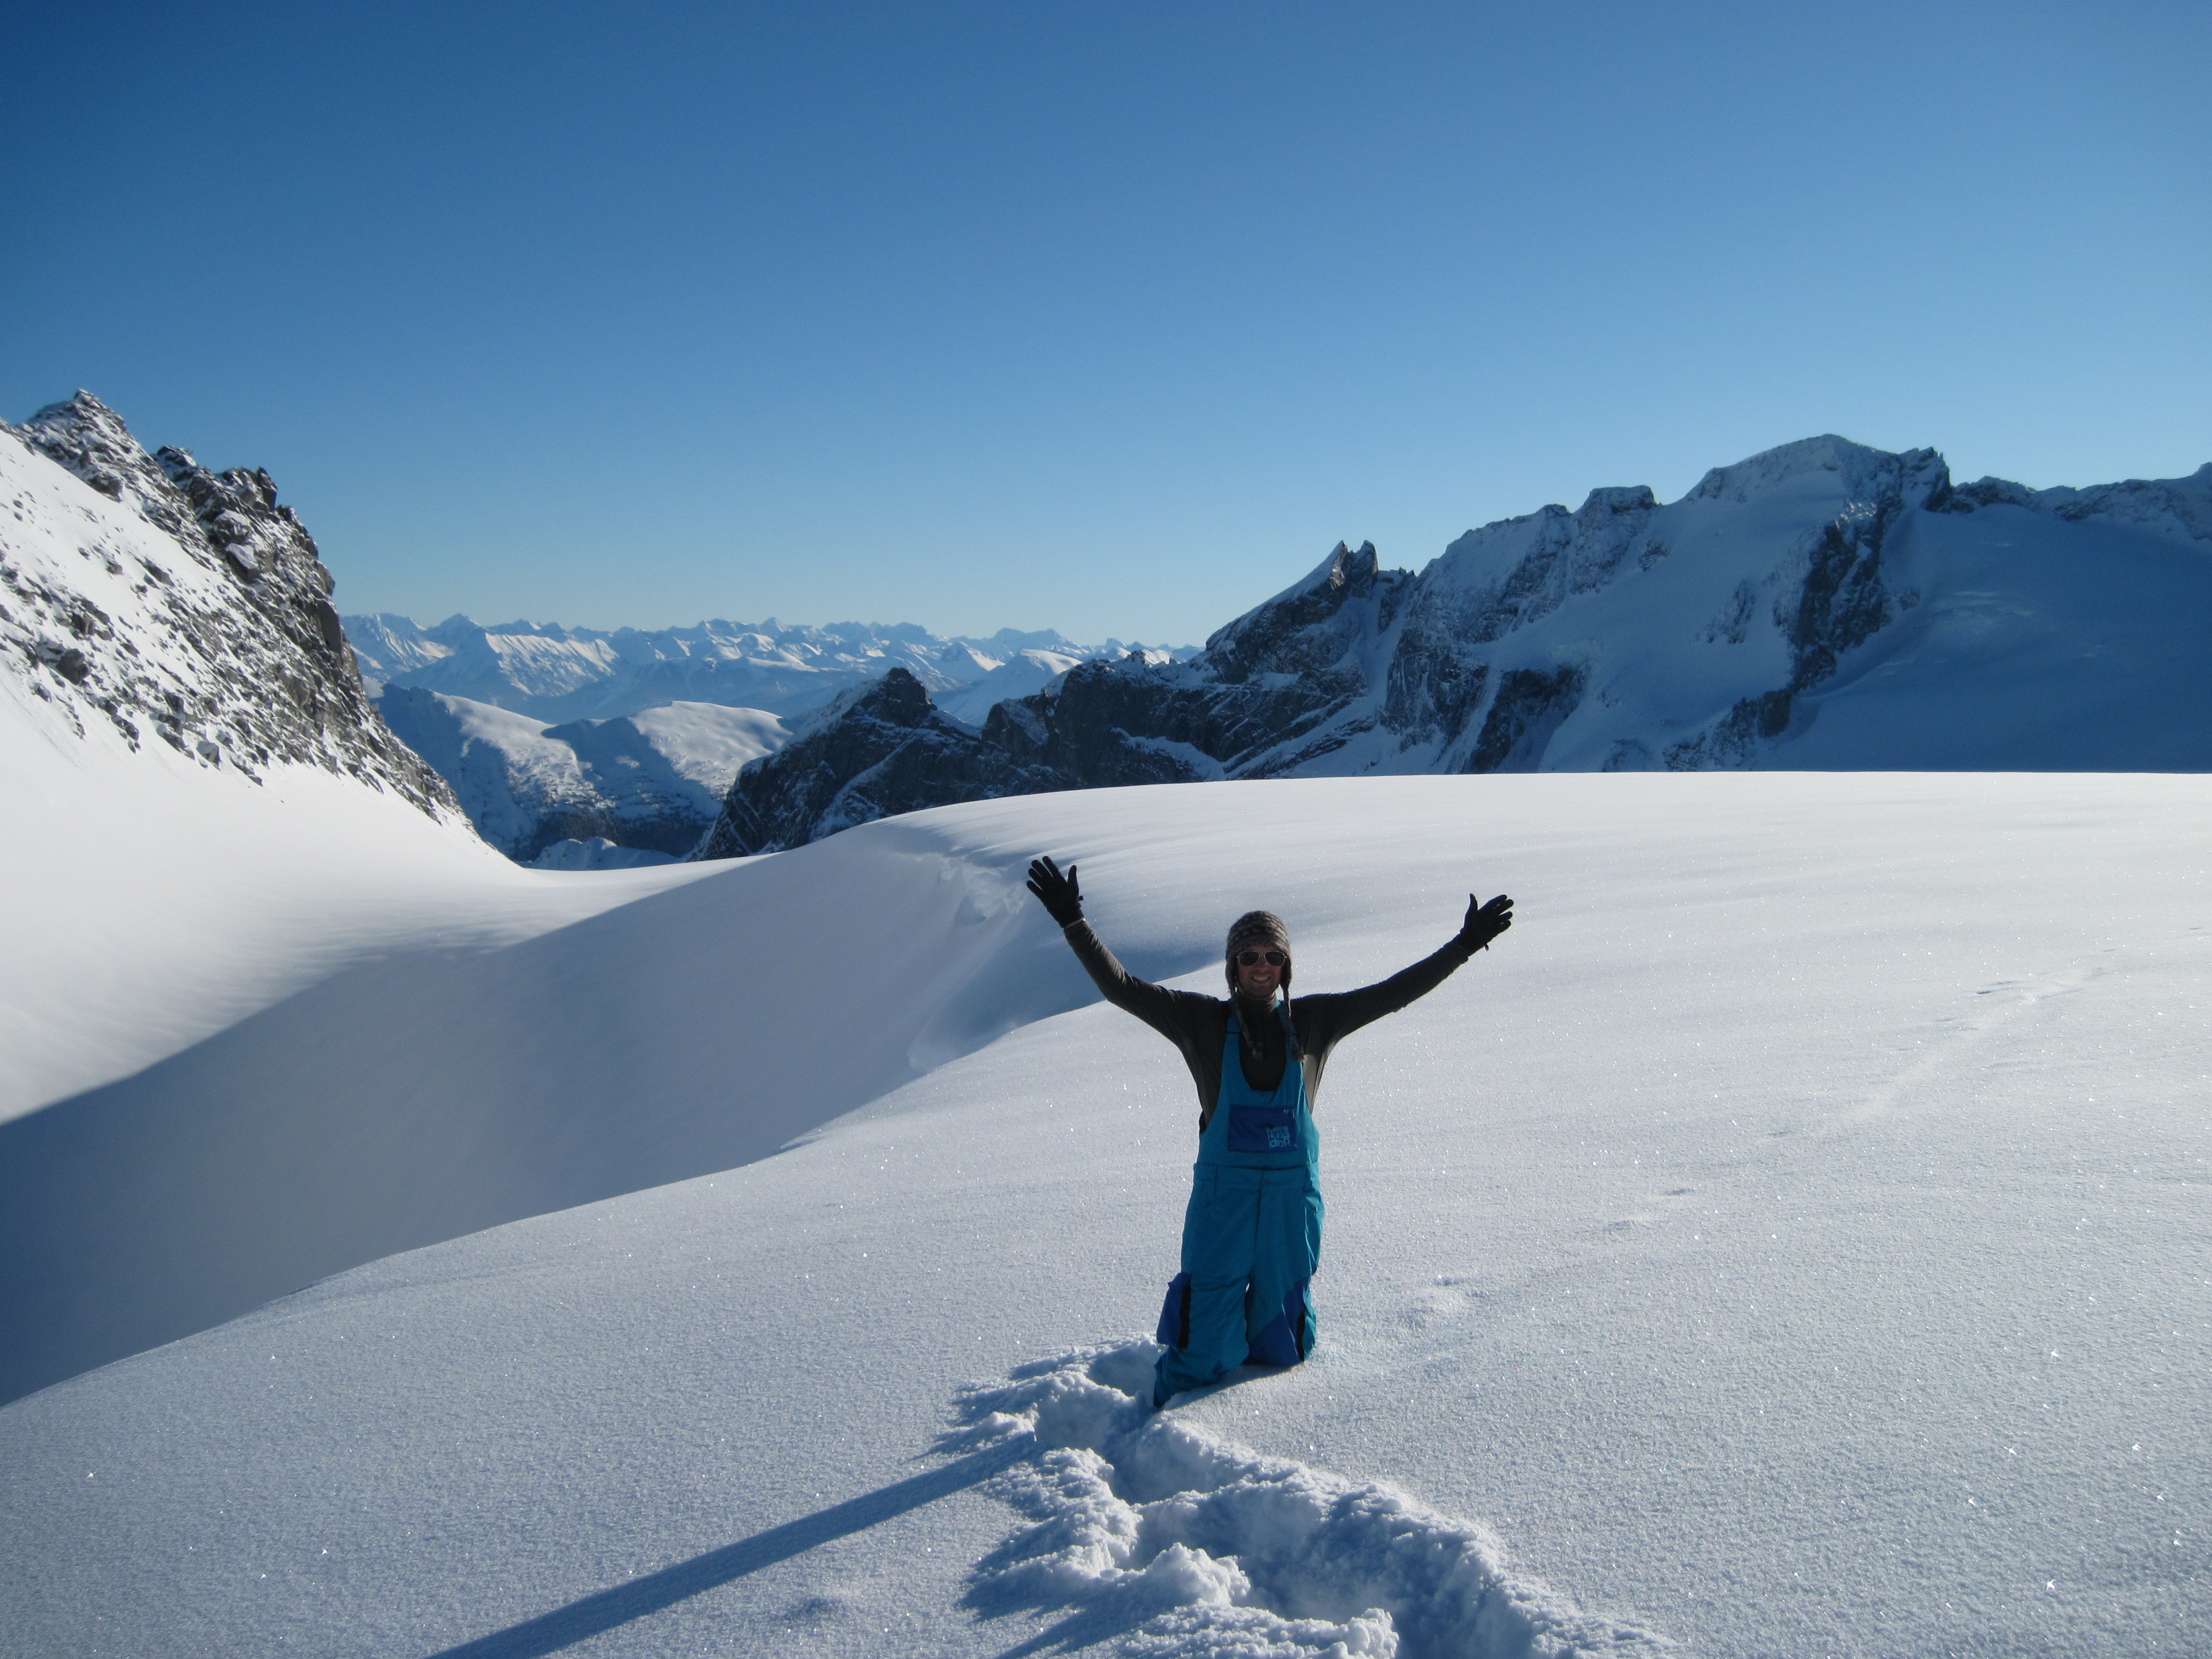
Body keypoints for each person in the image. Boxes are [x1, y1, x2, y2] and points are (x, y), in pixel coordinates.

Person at [1024, 855, 1514, 1407]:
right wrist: (1074, 923)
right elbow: (1123, 988)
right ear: (1232, 965)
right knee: (1203, 1339)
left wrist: (1464, 945)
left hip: (1289, 1201)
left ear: (1286, 965)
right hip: (1223, 1200)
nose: (1261, 966)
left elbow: (1394, 992)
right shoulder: (1199, 1022)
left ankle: (1260, 1414)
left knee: (1281, 1344)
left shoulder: (1316, 1022)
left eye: (1273, 957)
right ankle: (1161, 1427)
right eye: (1249, 956)